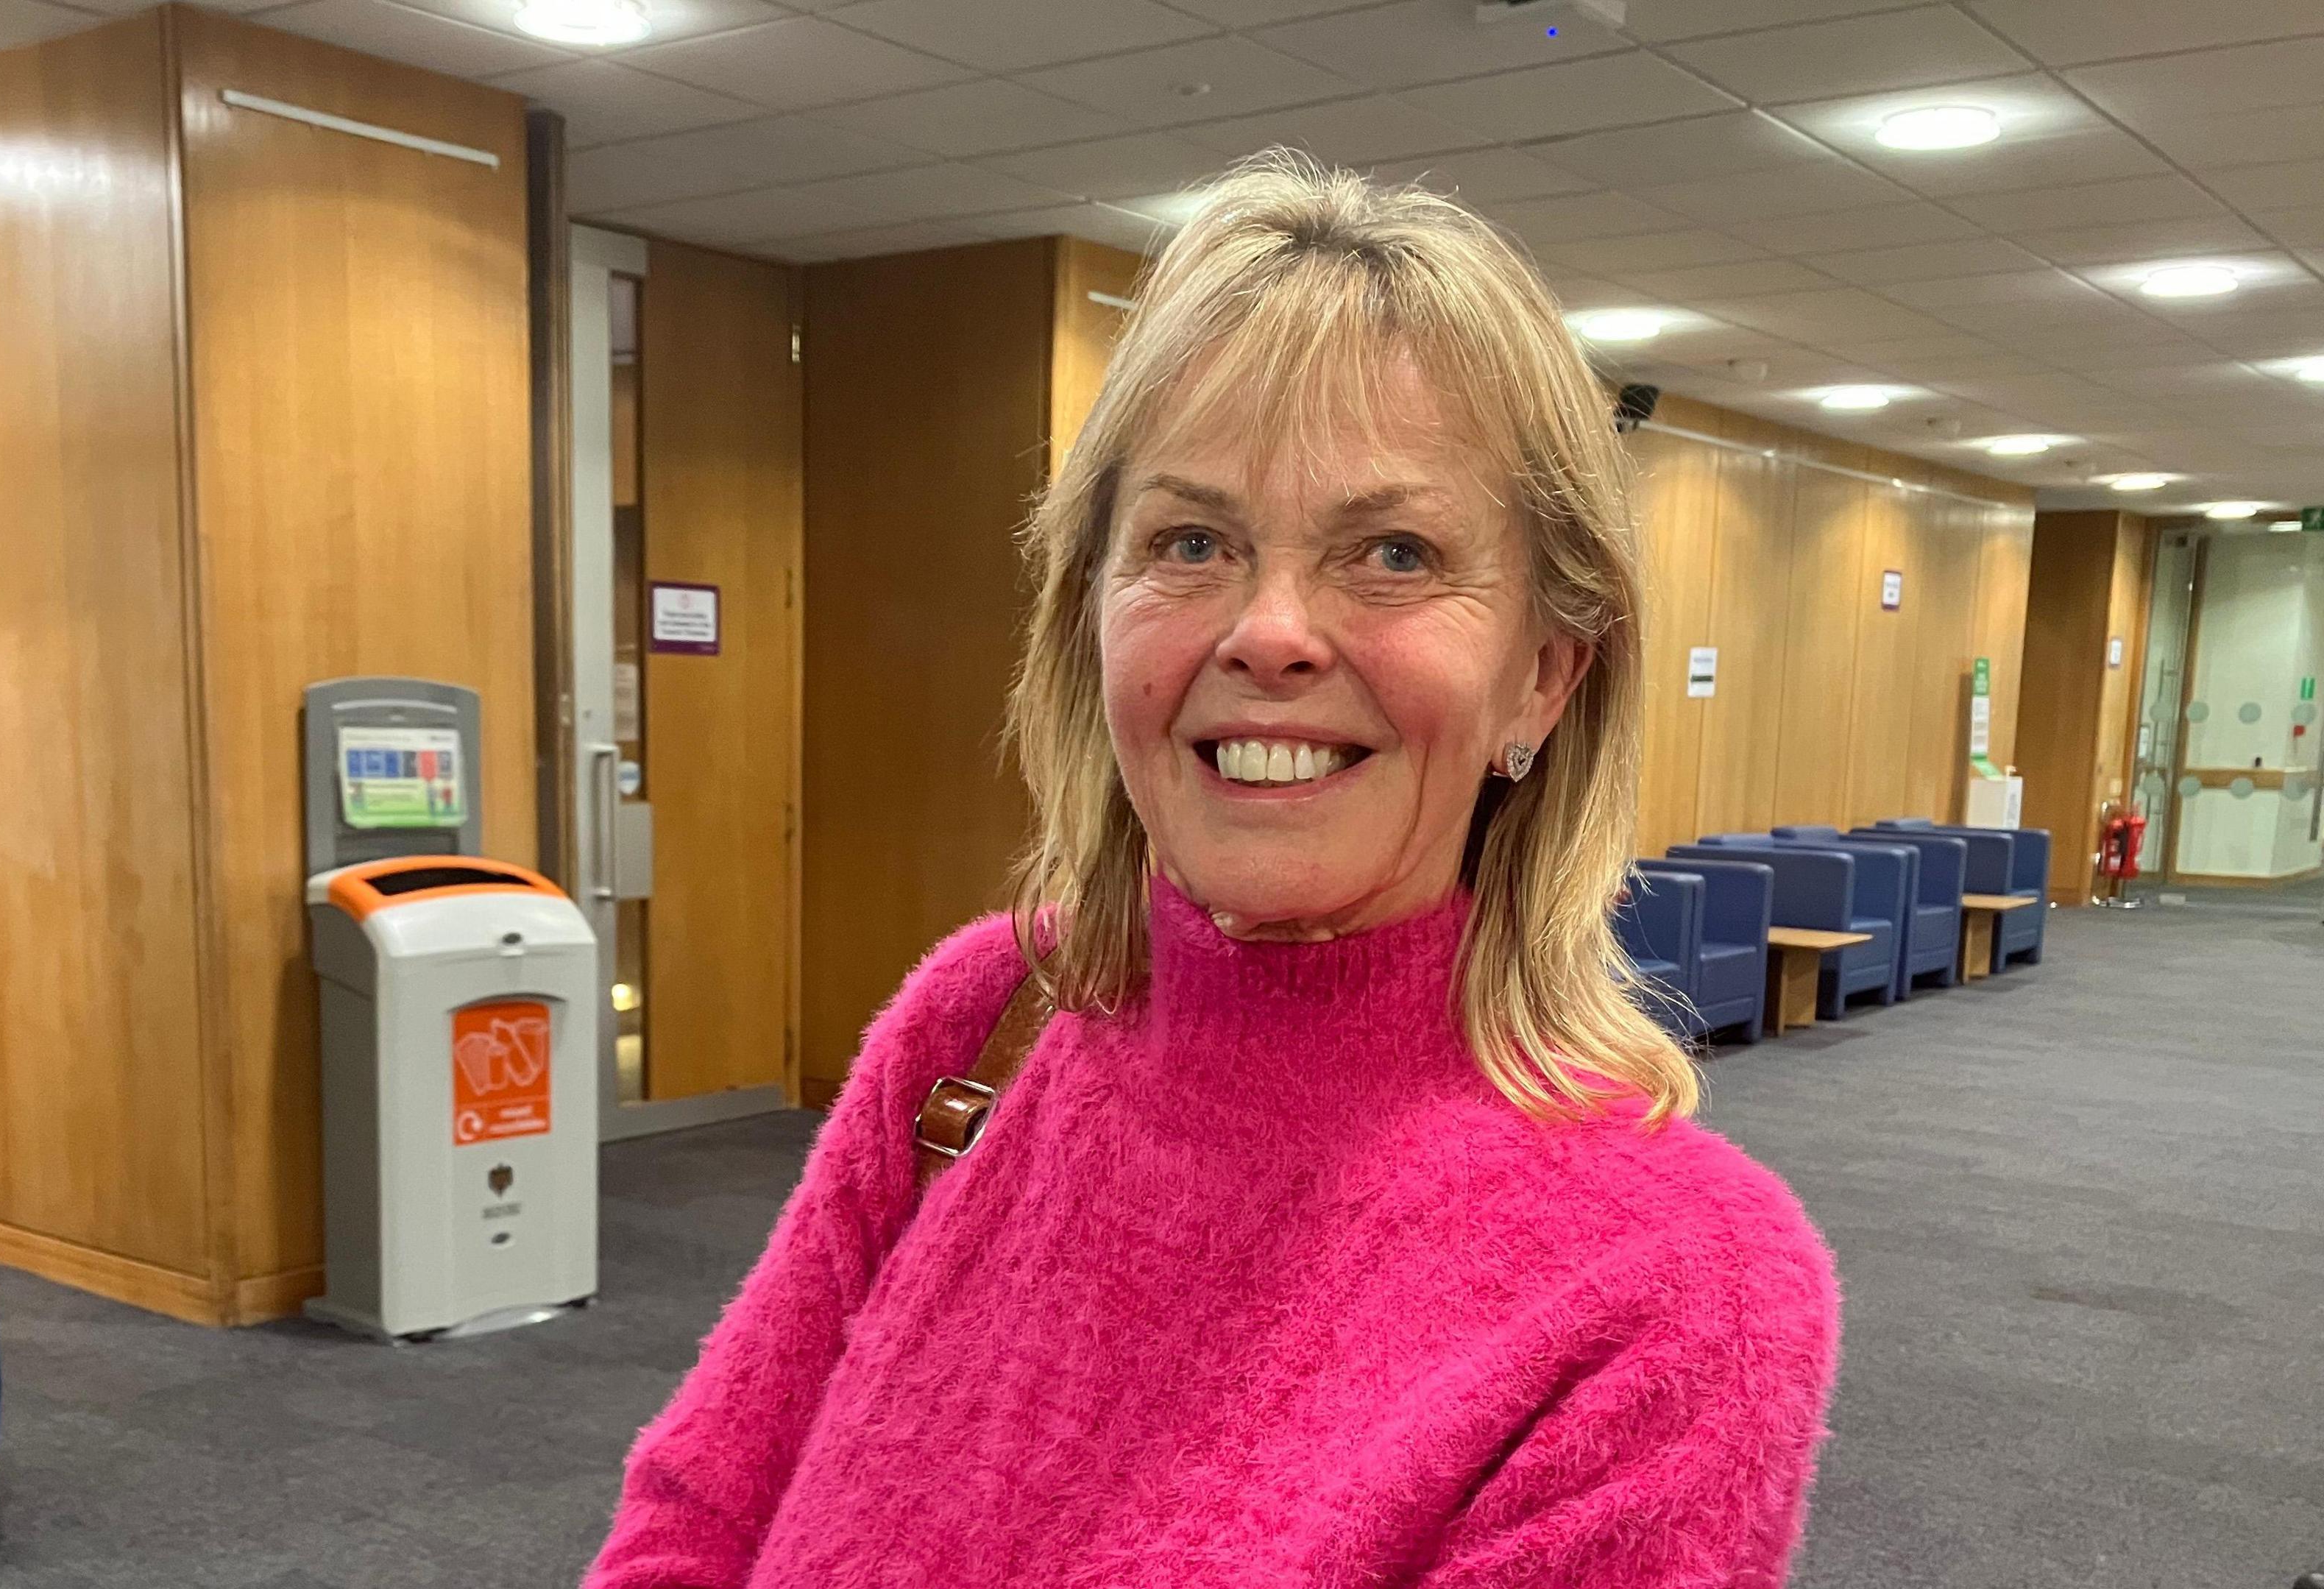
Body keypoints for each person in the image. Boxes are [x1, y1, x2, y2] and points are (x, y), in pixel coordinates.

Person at [587, 154, 1840, 1587]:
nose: (1271, 633)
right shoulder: (990, 1014)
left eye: (1393, 551)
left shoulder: (1677, 1292)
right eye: (1192, 541)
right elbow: (704, 1501)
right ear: (1094, 615)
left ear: (1543, 677)